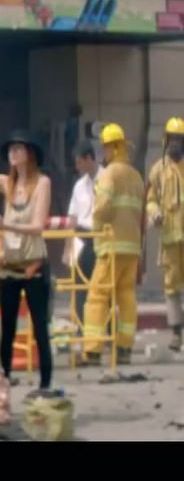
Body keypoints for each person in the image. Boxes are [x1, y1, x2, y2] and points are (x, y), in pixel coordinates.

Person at [0, 131, 55, 393]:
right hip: (9, 267)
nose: (13, 153)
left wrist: (4, 224)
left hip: (33, 264)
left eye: (19, 148)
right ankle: (4, 379)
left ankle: (45, 383)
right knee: (6, 328)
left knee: (39, 328)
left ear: (29, 154)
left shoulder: (42, 183)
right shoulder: (7, 184)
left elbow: (37, 226)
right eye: (11, 149)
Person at [87, 122, 145, 366]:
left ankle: (92, 350)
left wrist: (96, 229)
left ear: (114, 147)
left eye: (105, 148)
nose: (103, 153)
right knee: (126, 296)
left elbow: (102, 207)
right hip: (132, 246)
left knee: (98, 296)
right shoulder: (136, 176)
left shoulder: (110, 174)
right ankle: (124, 348)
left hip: (111, 245)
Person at [146, 116, 184, 352]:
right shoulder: (158, 169)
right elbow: (151, 200)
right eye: (173, 139)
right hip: (170, 236)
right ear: (166, 140)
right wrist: (155, 213)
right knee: (171, 286)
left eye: (180, 139)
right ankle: (176, 333)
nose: (176, 144)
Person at [64, 142, 100, 318]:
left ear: (89, 158)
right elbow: (73, 216)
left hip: (101, 236)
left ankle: (105, 327)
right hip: (81, 236)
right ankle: (80, 325)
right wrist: (68, 247)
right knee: (79, 283)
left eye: (80, 162)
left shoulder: (107, 177)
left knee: (101, 284)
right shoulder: (79, 185)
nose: (77, 167)